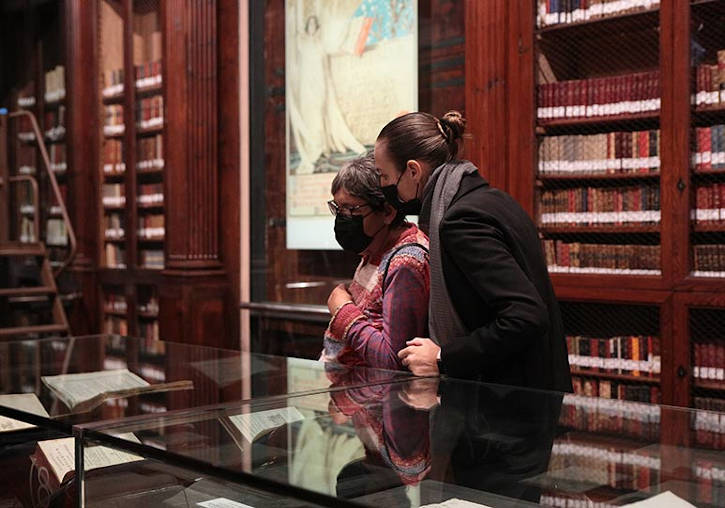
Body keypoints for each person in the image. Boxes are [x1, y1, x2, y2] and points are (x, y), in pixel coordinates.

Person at [373, 111, 571, 392]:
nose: (383, 188)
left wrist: (443, 357)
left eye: (384, 176)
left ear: (413, 171)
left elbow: (526, 316)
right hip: (531, 395)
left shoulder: (460, 220)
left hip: (507, 409)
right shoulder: (492, 199)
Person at [322, 153, 430, 370]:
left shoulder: (405, 262)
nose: (343, 218)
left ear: (387, 212)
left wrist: (342, 310)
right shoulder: (375, 247)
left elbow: (393, 360)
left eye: (351, 209)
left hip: (375, 397)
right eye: (338, 208)